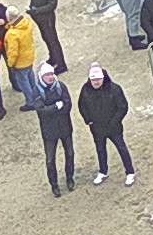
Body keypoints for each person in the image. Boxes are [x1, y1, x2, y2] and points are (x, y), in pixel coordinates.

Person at [25, 63, 78, 196]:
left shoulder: (61, 87)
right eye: (47, 75)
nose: (50, 77)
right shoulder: (37, 91)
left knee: (70, 153)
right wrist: (56, 107)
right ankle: (54, 185)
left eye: (51, 74)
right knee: (50, 159)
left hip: (65, 127)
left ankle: (69, 178)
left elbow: (67, 105)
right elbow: (41, 110)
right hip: (49, 131)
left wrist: (54, 109)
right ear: (41, 77)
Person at [78, 65, 135, 184]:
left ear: (103, 78)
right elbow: (82, 105)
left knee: (121, 148)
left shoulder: (114, 89)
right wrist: (88, 120)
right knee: (100, 149)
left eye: (98, 79)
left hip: (113, 127)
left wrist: (115, 121)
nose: (96, 82)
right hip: (97, 128)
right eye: (93, 80)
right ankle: (103, 171)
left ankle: (130, 172)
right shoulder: (85, 90)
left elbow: (122, 107)